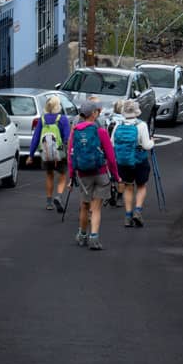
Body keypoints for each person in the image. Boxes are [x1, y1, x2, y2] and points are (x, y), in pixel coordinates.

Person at [66, 99, 119, 251]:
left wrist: (71, 177)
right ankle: (94, 238)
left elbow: (71, 156)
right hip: (100, 173)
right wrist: (116, 176)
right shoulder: (100, 132)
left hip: (83, 174)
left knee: (84, 205)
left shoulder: (75, 132)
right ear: (94, 114)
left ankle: (82, 235)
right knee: (96, 208)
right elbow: (110, 157)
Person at [111, 99, 154, 228]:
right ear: (136, 111)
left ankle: (128, 216)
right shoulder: (141, 125)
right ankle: (138, 211)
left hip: (123, 161)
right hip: (139, 160)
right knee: (141, 186)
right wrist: (152, 142)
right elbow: (146, 146)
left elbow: (112, 142)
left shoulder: (118, 125)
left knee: (128, 187)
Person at [27, 94, 71, 211]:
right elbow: (67, 137)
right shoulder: (63, 119)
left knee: (49, 175)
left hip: (46, 152)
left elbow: (36, 138)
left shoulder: (42, 119)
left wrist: (31, 155)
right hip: (60, 153)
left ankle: (49, 202)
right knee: (62, 176)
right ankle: (59, 196)